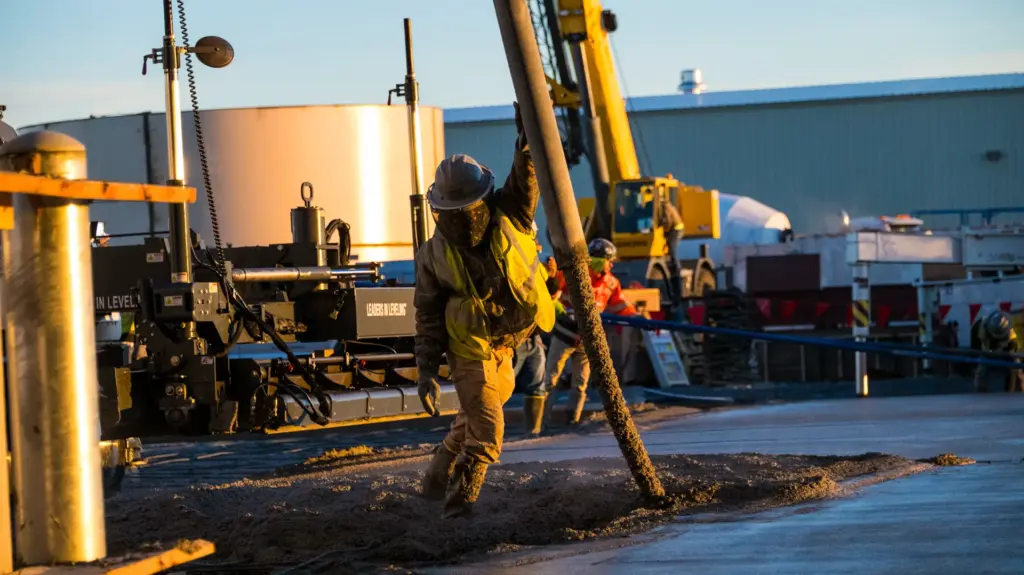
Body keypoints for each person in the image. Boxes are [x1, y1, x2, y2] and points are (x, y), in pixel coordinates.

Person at [414, 101, 554, 519]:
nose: (464, 219)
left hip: (508, 343)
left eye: (469, 209)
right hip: (469, 348)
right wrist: (425, 371)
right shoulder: (433, 256)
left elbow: (527, 180)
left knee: (480, 413)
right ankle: (462, 498)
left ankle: (437, 472)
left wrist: (527, 144)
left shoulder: (509, 213)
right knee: (488, 427)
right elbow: (427, 315)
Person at [542, 238, 638, 429]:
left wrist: (639, 317)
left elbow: (620, 306)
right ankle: (541, 421)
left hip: (588, 340)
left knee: (580, 383)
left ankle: (573, 420)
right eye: (609, 260)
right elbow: (551, 294)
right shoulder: (574, 273)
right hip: (565, 334)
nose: (611, 265)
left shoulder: (611, 283)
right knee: (550, 380)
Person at [517, 227, 563, 438]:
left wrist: (552, 275)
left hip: (533, 337)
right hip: (515, 336)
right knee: (499, 387)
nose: (538, 245)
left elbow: (549, 296)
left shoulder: (539, 267)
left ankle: (533, 431)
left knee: (537, 384)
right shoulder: (516, 264)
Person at [969, 310, 1023, 393]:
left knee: (1017, 368)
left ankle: (1015, 390)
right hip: (987, 350)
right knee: (981, 369)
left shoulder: (1009, 327)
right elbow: (978, 347)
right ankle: (980, 391)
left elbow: (1014, 343)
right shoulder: (979, 328)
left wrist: (1013, 353)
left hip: (1005, 349)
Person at [658, 188, 684, 300]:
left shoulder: (665, 207)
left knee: (672, 250)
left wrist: (662, 231)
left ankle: (675, 268)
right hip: (672, 229)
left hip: (676, 229)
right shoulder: (663, 205)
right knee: (669, 248)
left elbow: (668, 221)